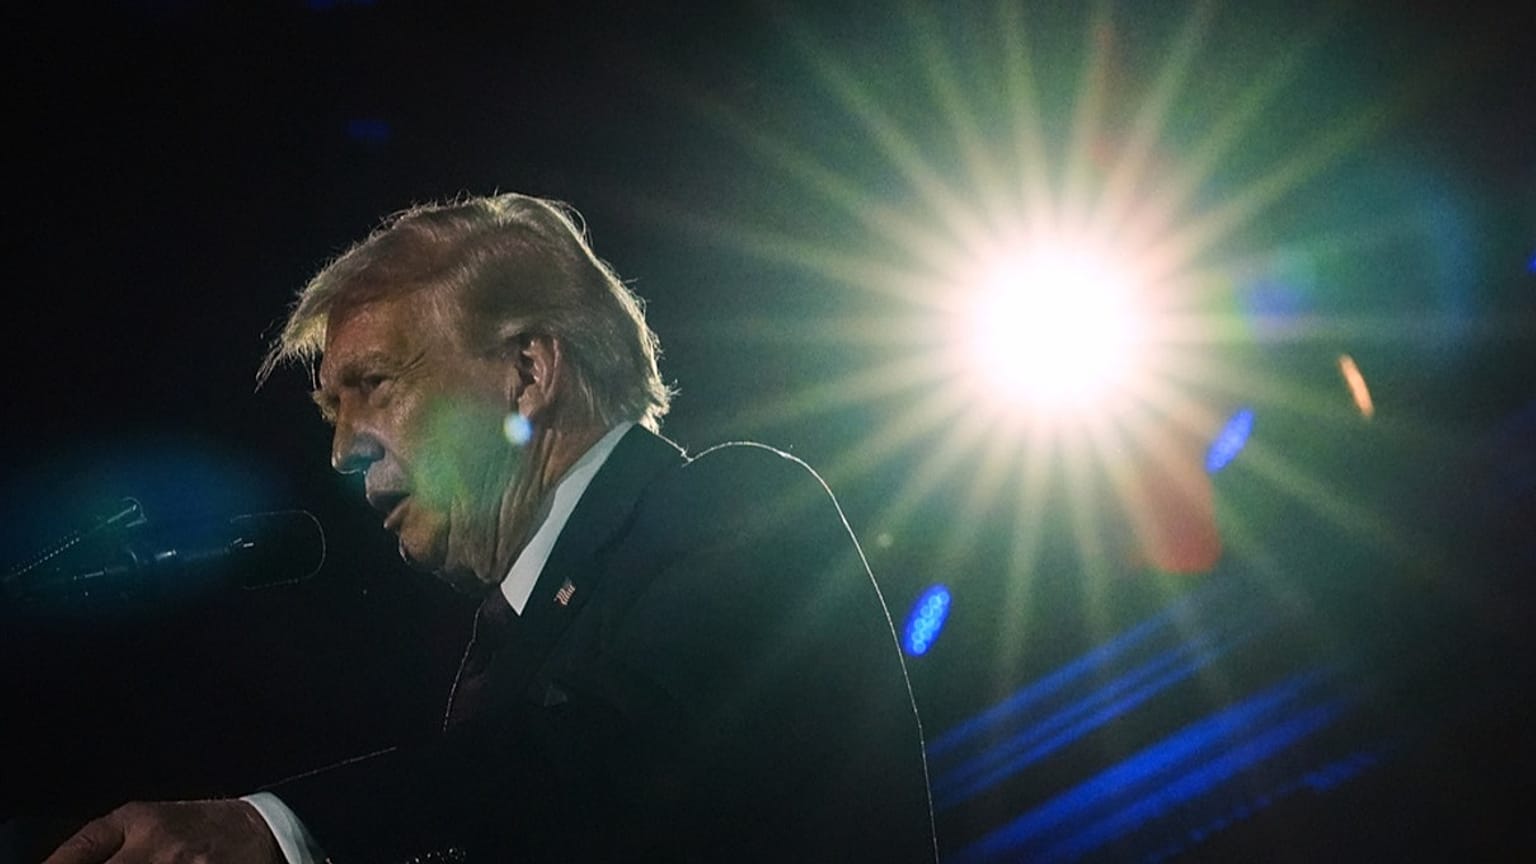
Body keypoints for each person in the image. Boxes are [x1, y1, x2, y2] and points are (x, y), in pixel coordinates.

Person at [44, 193, 938, 863]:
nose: (342, 451)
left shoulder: (732, 504)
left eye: (375, 386)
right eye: (329, 410)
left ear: (527, 373)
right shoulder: (515, 652)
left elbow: (605, 759)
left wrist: (272, 828)